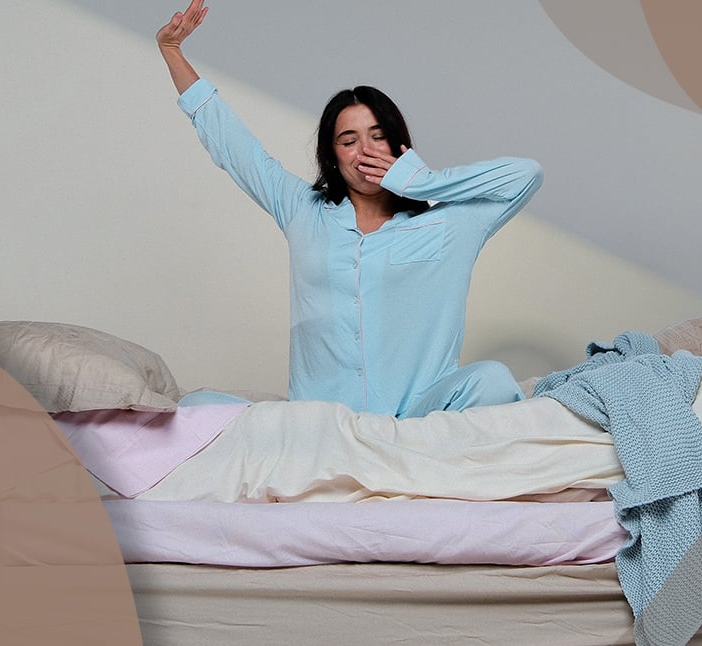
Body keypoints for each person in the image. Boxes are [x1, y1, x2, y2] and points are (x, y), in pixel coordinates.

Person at [157, 0, 544, 419]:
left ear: (398, 144)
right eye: (349, 140)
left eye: (378, 136)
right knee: (194, 408)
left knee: (492, 380)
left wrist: (419, 180)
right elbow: (235, 147)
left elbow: (525, 175)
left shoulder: (448, 225)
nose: (365, 151)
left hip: (415, 422)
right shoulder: (303, 211)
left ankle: (412, 451)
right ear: (333, 154)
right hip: (322, 423)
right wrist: (173, 51)